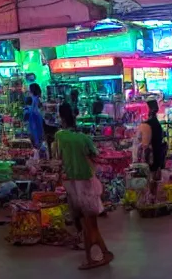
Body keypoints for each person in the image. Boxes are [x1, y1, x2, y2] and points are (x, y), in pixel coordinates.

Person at [56, 102, 112, 270]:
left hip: (74, 184)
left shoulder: (60, 136)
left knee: (87, 225)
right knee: (90, 225)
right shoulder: (84, 138)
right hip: (87, 182)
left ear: (61, 118)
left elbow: (58, 156)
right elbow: (95, 156)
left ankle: (99, 255)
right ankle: (94, 256)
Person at [135, 98, 167, 203]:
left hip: (150, 156)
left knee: (149, 178)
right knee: (154, 178)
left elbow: (145, 144)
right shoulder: (156, 123)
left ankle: (149, 200)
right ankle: (153, 198)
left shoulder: (146, 125)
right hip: (157, 153)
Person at [25, 84, 46, 157]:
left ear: (31, 90)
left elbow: (35, 114)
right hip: (36, 124)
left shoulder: (34, 100)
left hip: (35, 125)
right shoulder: (37, 99)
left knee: (37, 146)